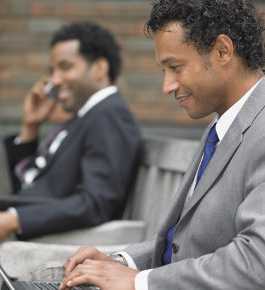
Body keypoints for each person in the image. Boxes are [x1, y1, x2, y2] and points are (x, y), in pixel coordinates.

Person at [59, 0, 265, 289]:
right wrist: (122, 263)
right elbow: (184, 244)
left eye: (175, 67)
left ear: (223, 50)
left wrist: (139, 282)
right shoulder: (220, 127)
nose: (167, 86)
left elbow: (256, 263)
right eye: (164, 70)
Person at [0, 21, 142, 246]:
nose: (54, 80)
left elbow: (97, 202)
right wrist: (30, 126)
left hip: (46, 239)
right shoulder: (86, 117)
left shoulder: (109, 115)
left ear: (99, 68)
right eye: (52, 71)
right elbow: (28, 189)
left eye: (65, 67)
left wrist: (13, 219)